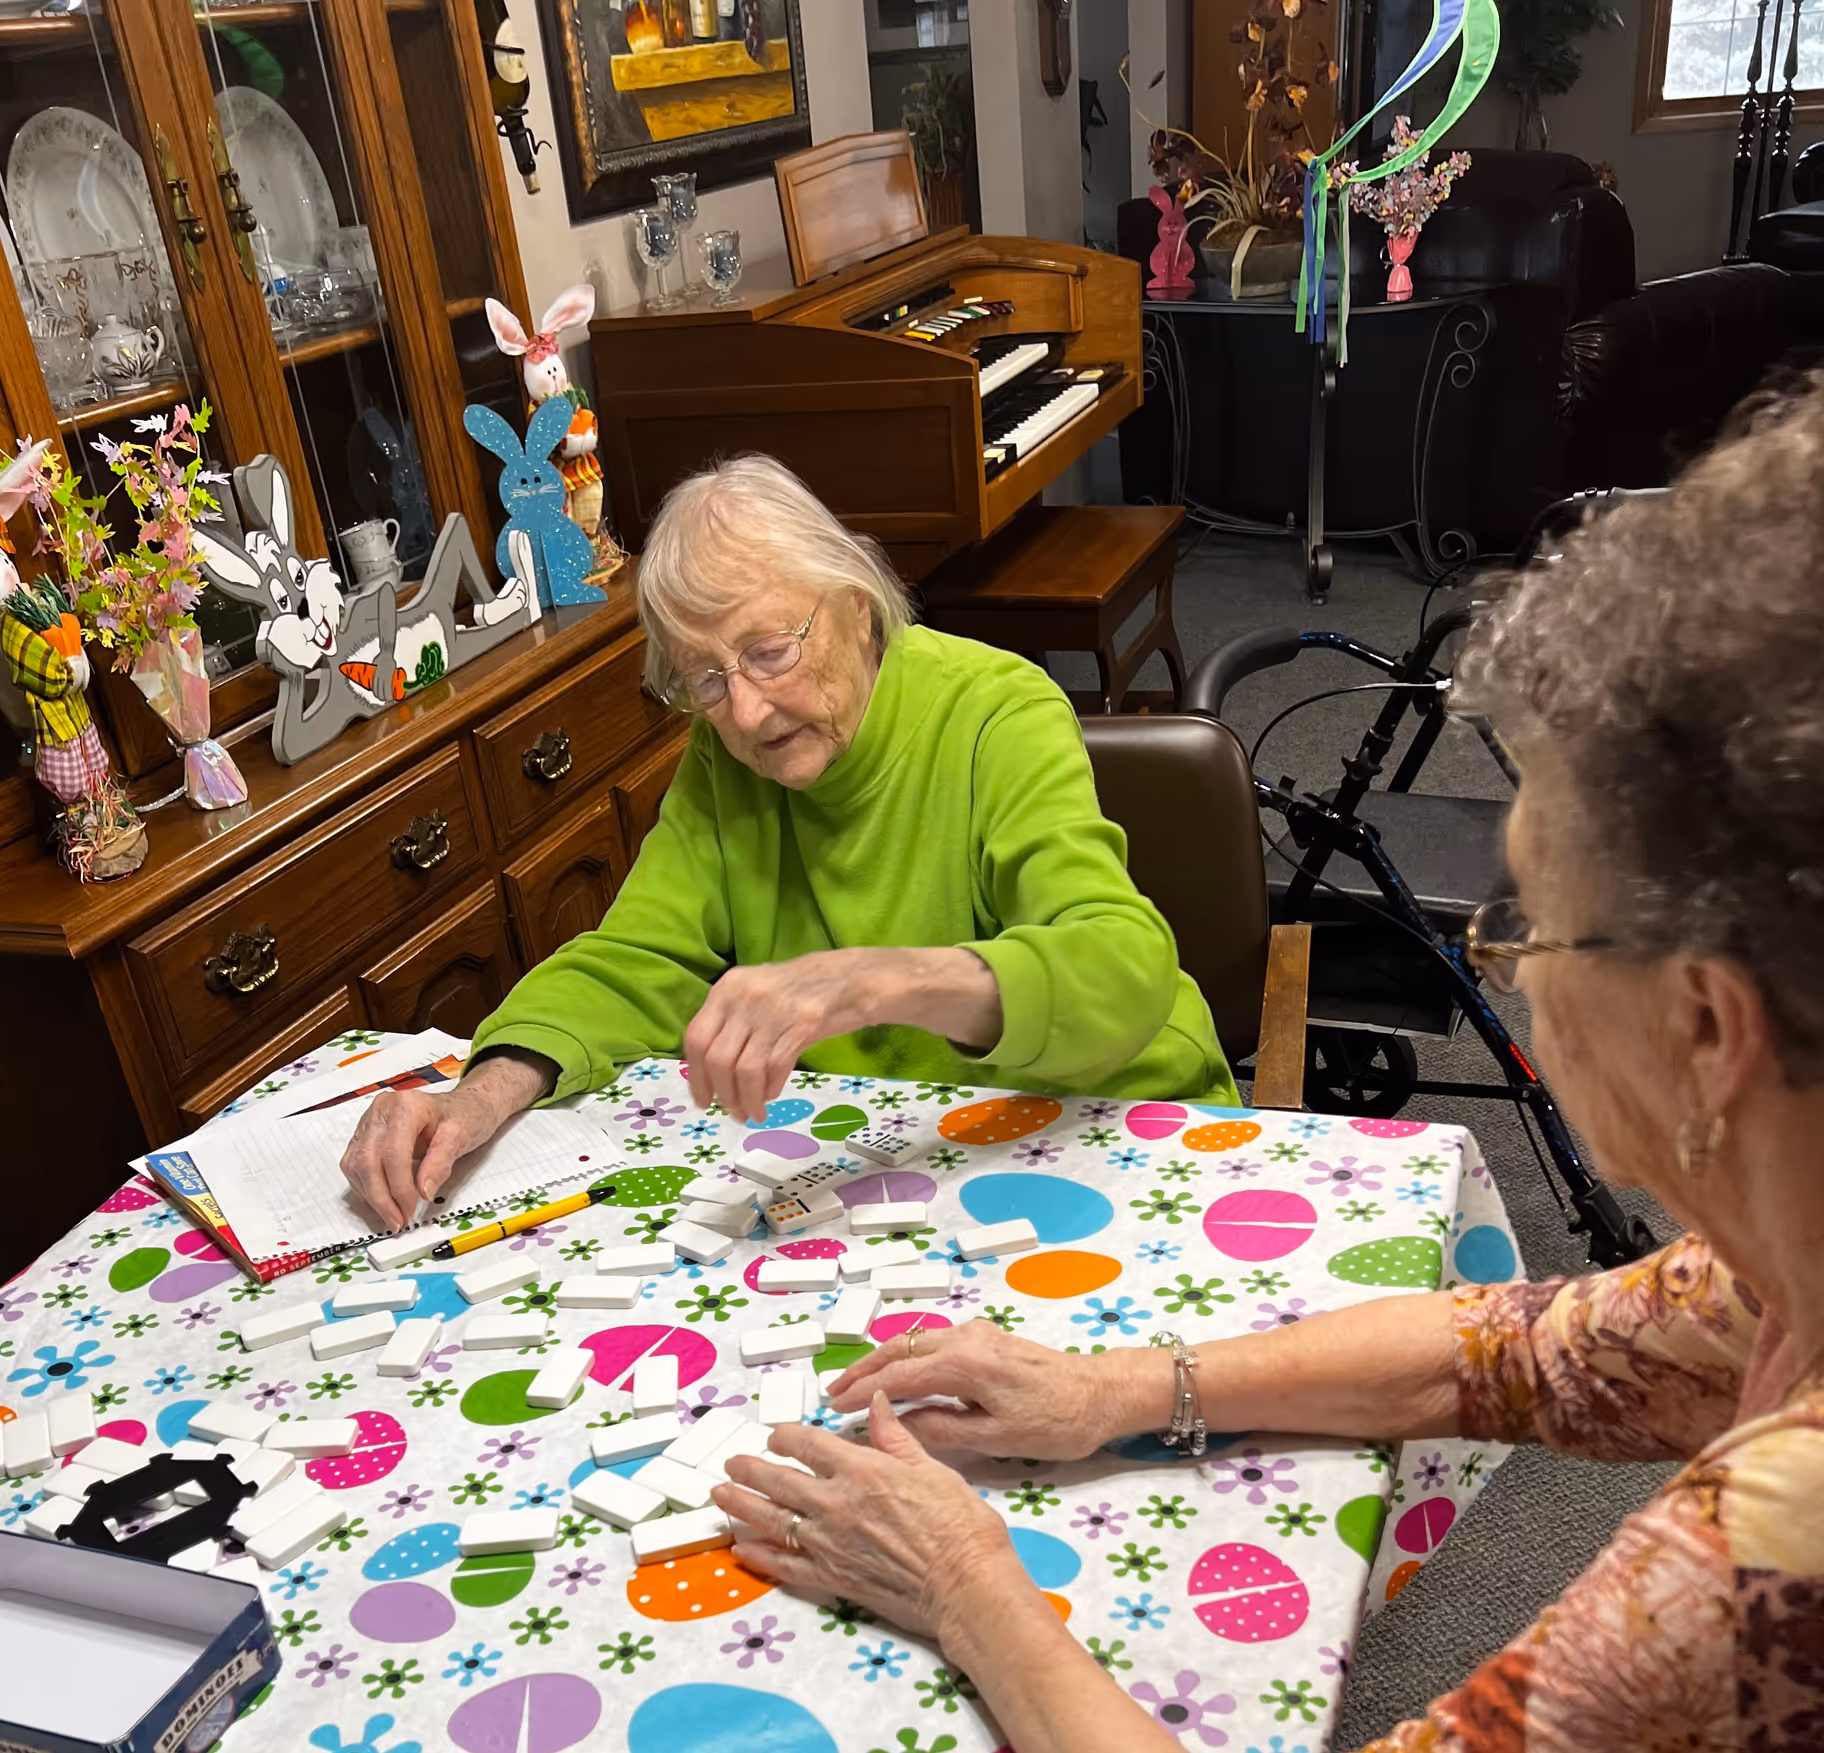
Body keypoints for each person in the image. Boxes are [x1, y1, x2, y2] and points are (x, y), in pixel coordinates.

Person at [713, 380, 1824, 1753]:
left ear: (1707, 1027)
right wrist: (1127, 1389)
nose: (1512, 977)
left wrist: (969, 1576)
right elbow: (1534, 1342)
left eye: (1532, 932)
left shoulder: (1773, 1558)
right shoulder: (1793, 1239)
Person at [340, 455, 1234, 1230]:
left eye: (770, 651)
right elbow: (633, 961)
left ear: (853, 605)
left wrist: (877, 980)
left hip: (1106, 1122)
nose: (747, 710)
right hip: (891, 1165)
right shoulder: (730, 750)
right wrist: (480, 1092)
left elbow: (1120, 966)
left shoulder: (997, 709)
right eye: (704, 678)